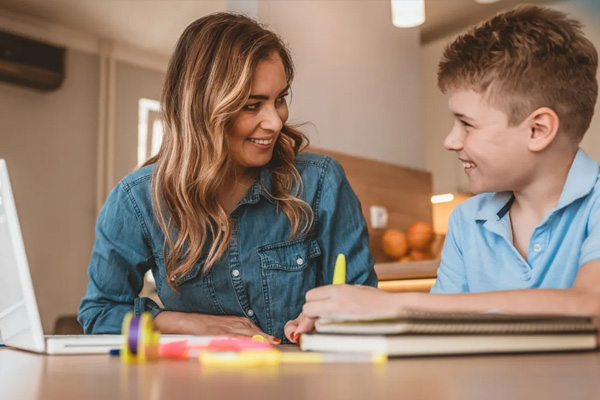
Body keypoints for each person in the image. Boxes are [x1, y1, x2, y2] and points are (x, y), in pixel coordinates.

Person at [294, 5, 600, 340]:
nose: (450, 140)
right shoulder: (466, 221)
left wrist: (397, 305)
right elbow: (440, 331)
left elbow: (591, 308)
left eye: (467, 124)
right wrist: (345, 319)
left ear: (538, 130)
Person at [78, 12, 377, 343]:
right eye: (252, 106)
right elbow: (100, 313)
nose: (275, 122)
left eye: (279, 99)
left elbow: (365, 306)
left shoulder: (321, 182)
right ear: (202, 110)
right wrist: (188, 323)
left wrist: (329, 321)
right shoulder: (138, 200)